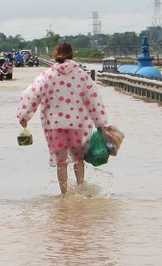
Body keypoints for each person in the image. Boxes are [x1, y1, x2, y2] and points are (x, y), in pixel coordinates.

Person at [16, 43, 109, 195]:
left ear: (55, 55)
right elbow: (93, 98)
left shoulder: (47, 75)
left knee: (61, 161)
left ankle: (64, 195)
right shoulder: (81, 75)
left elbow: (31, 94)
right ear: (72, 55)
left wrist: (24, 116)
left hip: (54, 124)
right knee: (78, 158)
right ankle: (80, 189)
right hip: (77, 123)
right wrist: (101, 122)